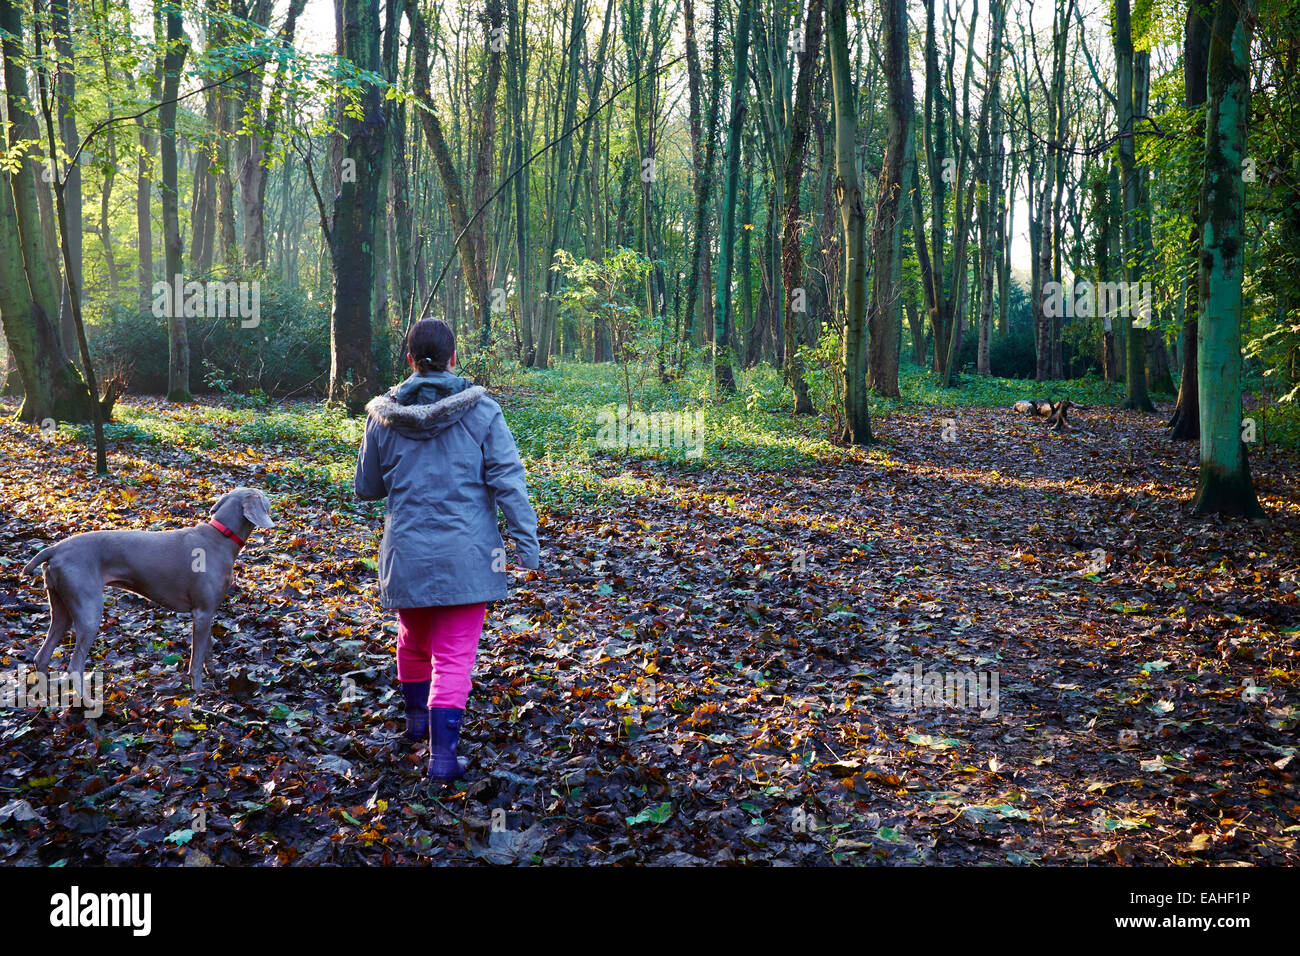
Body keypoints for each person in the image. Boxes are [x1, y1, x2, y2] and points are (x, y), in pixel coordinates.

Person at [354, 318, 539, 782]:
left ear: (409, 360)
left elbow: (367, 487)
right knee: (454, 656)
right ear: (454, 358)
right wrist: (527, 548)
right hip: (468, 555)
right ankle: (442, 759)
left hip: (407, 554)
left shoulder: (381, 416)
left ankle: (416, 726)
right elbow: (509, 483)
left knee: (413, 641)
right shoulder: (483, 413)